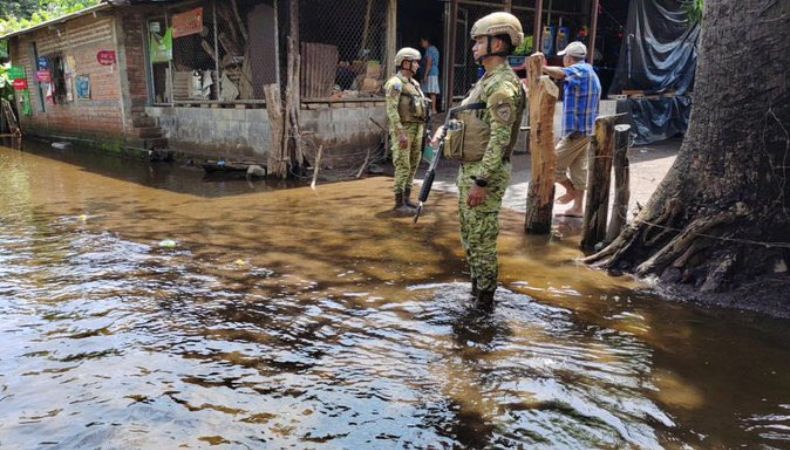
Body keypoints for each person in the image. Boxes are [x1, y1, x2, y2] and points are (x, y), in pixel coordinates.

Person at [431, 12, 526, 309]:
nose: (473, 47)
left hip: (483, 174)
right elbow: (469, 116)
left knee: (482, 241)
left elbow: (499, 138)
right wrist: (443, 131)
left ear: (497, 43)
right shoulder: (486, 81)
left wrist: (481, 181)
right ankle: (476, 294)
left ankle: (485, 305)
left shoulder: (502, 86)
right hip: (469, 169)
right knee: (470, 237)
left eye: (478, 42)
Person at [542, 41, 601, 218]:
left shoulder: (580, 70)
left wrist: (541, 67)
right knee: (578, 169)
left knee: (550, 166)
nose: (563, 61)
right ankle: (577, 208)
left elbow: (560, 73)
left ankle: (571, 192)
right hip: (585, 130)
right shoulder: (589, 72)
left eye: (564, 58)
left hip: (577, 132)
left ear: (568, 58)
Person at [384, 47, 428, 215]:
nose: (417, 65)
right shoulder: (395, 83)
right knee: (403, 165)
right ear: (405, 63)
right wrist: (400, 132)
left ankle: (407, 198)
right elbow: (392, 110)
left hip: (417, 128)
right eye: (414, 62)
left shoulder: (414, 84)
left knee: (414, 163)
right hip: (404, 129)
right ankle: (398, 202)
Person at [420, 37, 440, 114]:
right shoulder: (434, 49)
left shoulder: (430, 50)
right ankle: (431, 109)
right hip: (433, 72)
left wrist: (425, 75)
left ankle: (432, 109)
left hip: (431, 73)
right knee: (431, 91)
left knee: (431, 91)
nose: (421, 44)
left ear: (426, 41)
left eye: (422, 41)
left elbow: (429, 63)